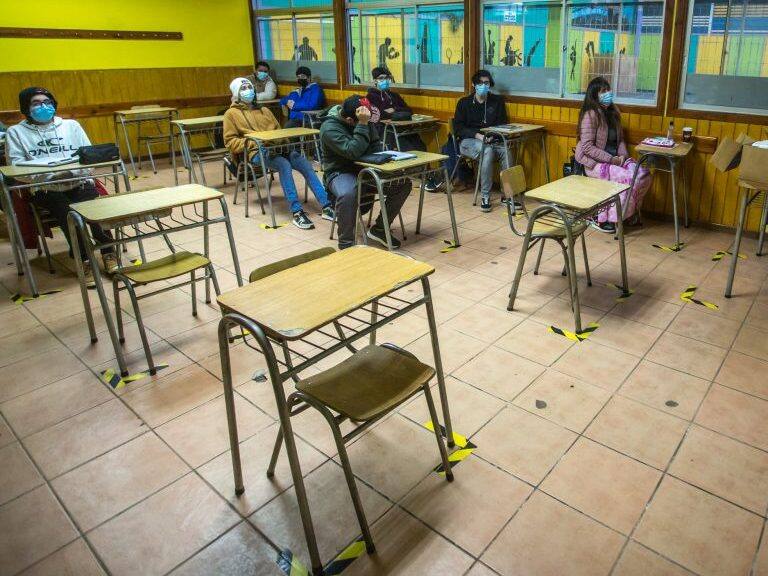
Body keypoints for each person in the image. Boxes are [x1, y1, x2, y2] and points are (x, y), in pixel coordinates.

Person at [5, 87, 116, 278]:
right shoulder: (16, 132)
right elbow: (15, 169)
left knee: (96, 211)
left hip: (78, 180)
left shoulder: (71, 126)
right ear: (26, 107)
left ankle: (109, 253)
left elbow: (90, 157)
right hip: (45, 189)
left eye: (47, 102)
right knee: (70, 215)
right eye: (36, 103)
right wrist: (48, 176)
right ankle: (84, 259)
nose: (43, 106)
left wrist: (74, 172)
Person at [223, 77, 333, 230]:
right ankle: (297, 211)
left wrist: (283, 142)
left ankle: (327, 205)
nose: (248, 91)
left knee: (304, 164)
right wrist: (255, 142)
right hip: (255, 152)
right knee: (284, 165)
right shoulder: (231, 114)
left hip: (278, 147)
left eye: (249, 87)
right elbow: (230, 142)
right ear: (236, 93)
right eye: (243, 88)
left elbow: (278, 130)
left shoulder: (264, 110)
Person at [319, 95, 411, 250]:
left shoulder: (363, 119)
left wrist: (379, 158)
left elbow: (374, 145)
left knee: (402, 184)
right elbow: (352, 151)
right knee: (348, 193)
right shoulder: (329, 128)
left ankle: (380, 229)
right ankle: (346, 244)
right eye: (363, 120)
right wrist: (362, 124)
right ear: (349, 120)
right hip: (340, 172)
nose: (367, 123)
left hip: (365, 168)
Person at [575, 76, 651, 233]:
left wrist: (623, 157)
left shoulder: (613, 113)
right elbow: (587, 147)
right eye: (603, 91)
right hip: (594, 163)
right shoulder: (590, 114)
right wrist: (612, 160)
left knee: (643, 175)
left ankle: (625, 215)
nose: (608, 93)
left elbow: (620, 140)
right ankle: (602, 218)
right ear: (594, 94)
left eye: (608, 90)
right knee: (628, 178)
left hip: (615, 160)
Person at [366, 66, 442, 191]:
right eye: (381, 78)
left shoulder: (394, 95)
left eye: (387, 78)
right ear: (374, 80)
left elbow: (408, 111)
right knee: (407, 147)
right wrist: (395, 113)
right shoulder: (371, 97)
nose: (385, 80)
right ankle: (423, 178)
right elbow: (380, 115)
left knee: (420, 144)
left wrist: (393, 111)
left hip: (403, 128)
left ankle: (427, 174)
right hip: (385, 131)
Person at [453, 69, 510, 212]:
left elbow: (502, 124)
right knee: (488, 151)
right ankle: (485, 196)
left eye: (487, 83)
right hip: (469, 142)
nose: (484, 86)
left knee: (506, 151)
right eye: (480, 83)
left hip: (491, 139)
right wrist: (477, 135)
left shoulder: (497, 102)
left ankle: (507, 195)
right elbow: (458, 128)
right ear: (474, 84)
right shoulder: (464, 103)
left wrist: (493, 136)